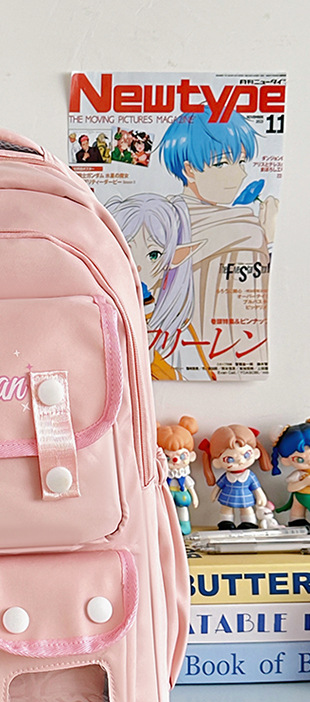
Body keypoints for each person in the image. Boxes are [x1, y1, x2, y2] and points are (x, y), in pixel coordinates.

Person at [157, 110, 277, 367]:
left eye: (241, 162)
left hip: (162, 357)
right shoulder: (246, 231)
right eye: (222, 163)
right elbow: (252, 319)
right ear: (189, 169)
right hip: (225, 358)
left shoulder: (157, 220)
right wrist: (268, 241)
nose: (240, 175)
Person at [106, 192, 205, 379]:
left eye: (153, 255)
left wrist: (154, 361)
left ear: (175, 258)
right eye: (126, 250)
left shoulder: (176, 330)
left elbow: (195, 381)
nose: (138, 266)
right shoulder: (100, 317)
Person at [199, 424, 271, 529]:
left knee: (247, 509)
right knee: (226, 508)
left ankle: (249, 523)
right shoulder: (226, 476)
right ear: (217, 462)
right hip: (228, 496)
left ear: (255, 453)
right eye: (230, 459)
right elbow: (218, 486)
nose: (241, 461)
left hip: (245, 497)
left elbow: (256, 488)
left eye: (246, 455)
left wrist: (260, 495)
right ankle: (226, 522)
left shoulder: (249, 476)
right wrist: (214, 494)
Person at [156, 417, 200, 535]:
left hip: (182, 493)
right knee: (166, 510)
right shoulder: (162, 475)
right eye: (167, 457)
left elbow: (190, 486)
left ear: (191, 456)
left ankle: (184, 526)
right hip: (167, 493)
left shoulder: (184, 476)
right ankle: (167, 528)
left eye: (182, 456)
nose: (175, 460)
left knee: (183, 509)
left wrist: (195, 497)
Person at [271, 421, 310, 525]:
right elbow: (291, 488)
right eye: (300, 460)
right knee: (297, 507)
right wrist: (304, 482)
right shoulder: (298, 474)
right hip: (301, 496)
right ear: (286, 461)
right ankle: (296, 520)